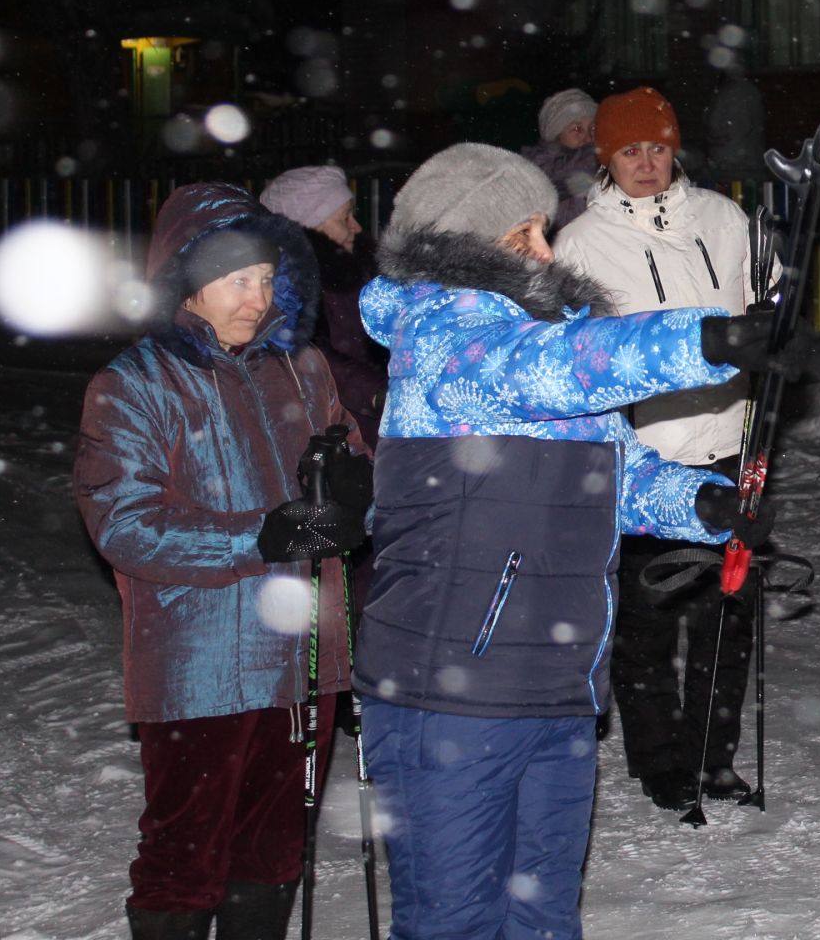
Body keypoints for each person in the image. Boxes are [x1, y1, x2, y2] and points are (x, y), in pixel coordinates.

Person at [353, 142, 780, 939]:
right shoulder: (445, 336)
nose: (547, 254)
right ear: (467, 243)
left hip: (556, 684)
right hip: (451, 693)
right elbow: (550, 370)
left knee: (543, 914)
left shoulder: (540, 347)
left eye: (547, 233)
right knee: (453, 920)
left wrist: (706, 505)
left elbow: (617, 472)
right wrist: (706, 340)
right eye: (526, 237)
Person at [76, 182, 368, 940]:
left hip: (303, 652)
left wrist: (353, 493)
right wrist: (264, 535)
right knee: (185, 848)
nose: (258, 296)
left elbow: (353, 466)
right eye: (238, 279)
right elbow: (128, 526)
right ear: (187, 279)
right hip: (198, 664)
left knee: (272, 849)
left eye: (269, 278)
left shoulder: (302, 369)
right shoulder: (135, 384)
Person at [553, 85, 773, 810]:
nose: (645, 163)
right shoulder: (583, 242)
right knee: (648, 621)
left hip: (727, 443)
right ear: (605, 158)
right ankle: (660, 759)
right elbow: (578, 354)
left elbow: (757, 303)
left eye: (656, 147)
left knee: (726, 608)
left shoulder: (723, 217)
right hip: (645, 456)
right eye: (628, 151)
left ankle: (714, 754)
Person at [260, 164, 388, 448]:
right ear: (311, 226)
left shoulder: (365, 268)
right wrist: (378, 393)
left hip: (382, 426)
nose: (357, 226)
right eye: (345, 218)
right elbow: (312, 358)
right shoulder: (288, 288)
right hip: (342, 431)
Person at [522, 86, 601, 232]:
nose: (588, 137)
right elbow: (560, 177)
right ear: (557, 133)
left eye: (593, 129)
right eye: (577, 129)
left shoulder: (598, 162)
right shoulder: (539, 165)